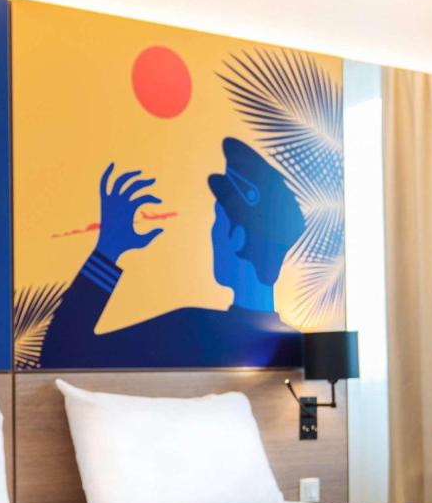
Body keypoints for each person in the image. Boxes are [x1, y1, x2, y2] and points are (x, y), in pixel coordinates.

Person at [40, 137, 305, 369]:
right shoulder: (294, 346)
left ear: (236, 238)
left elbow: (59, 357)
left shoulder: (192, 330)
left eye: (217, 220)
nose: (212, 232)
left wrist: (109, 249)